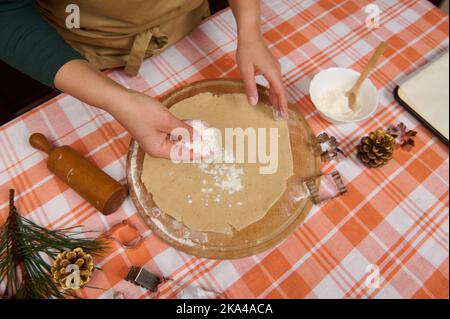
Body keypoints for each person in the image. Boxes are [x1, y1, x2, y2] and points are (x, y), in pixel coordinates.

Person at [0, 0, 288, 159]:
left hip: (190, 22)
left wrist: (249, 29)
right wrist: (115, 99)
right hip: (93, 54)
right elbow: (6, 12)